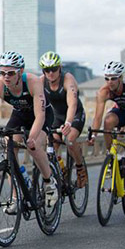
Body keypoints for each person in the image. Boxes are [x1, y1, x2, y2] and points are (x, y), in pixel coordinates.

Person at [0, 51, 58, 213]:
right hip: (20, 114)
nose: (6, 77)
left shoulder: (33, 81)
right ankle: (16, 198)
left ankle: (49, 182)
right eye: (2, 72)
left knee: (33, 146)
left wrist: (32, 137)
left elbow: (40, 115)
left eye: (11, 73)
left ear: (20, 72)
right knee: (9, 148)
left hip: (41, 115)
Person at [87, 61, 125, 213]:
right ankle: (112, 155)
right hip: (119, 112)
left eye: (113, 78)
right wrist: (94, 134)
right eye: (107, 78)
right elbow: (98, 116)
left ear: (121, 78)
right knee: (107, 122)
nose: (109, 82)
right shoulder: (104, 91)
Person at [39, 51, 87, 187]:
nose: (50, 73)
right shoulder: (41, 81)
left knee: (70, 139)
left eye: (54, 69)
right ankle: (61, 169)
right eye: (47, 70)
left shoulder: (68, 79)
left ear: (59, 68)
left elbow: (72, 103)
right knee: (52, 143)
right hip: (57, 116)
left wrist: (68, 122)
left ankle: (80, 168)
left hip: (75, 114)